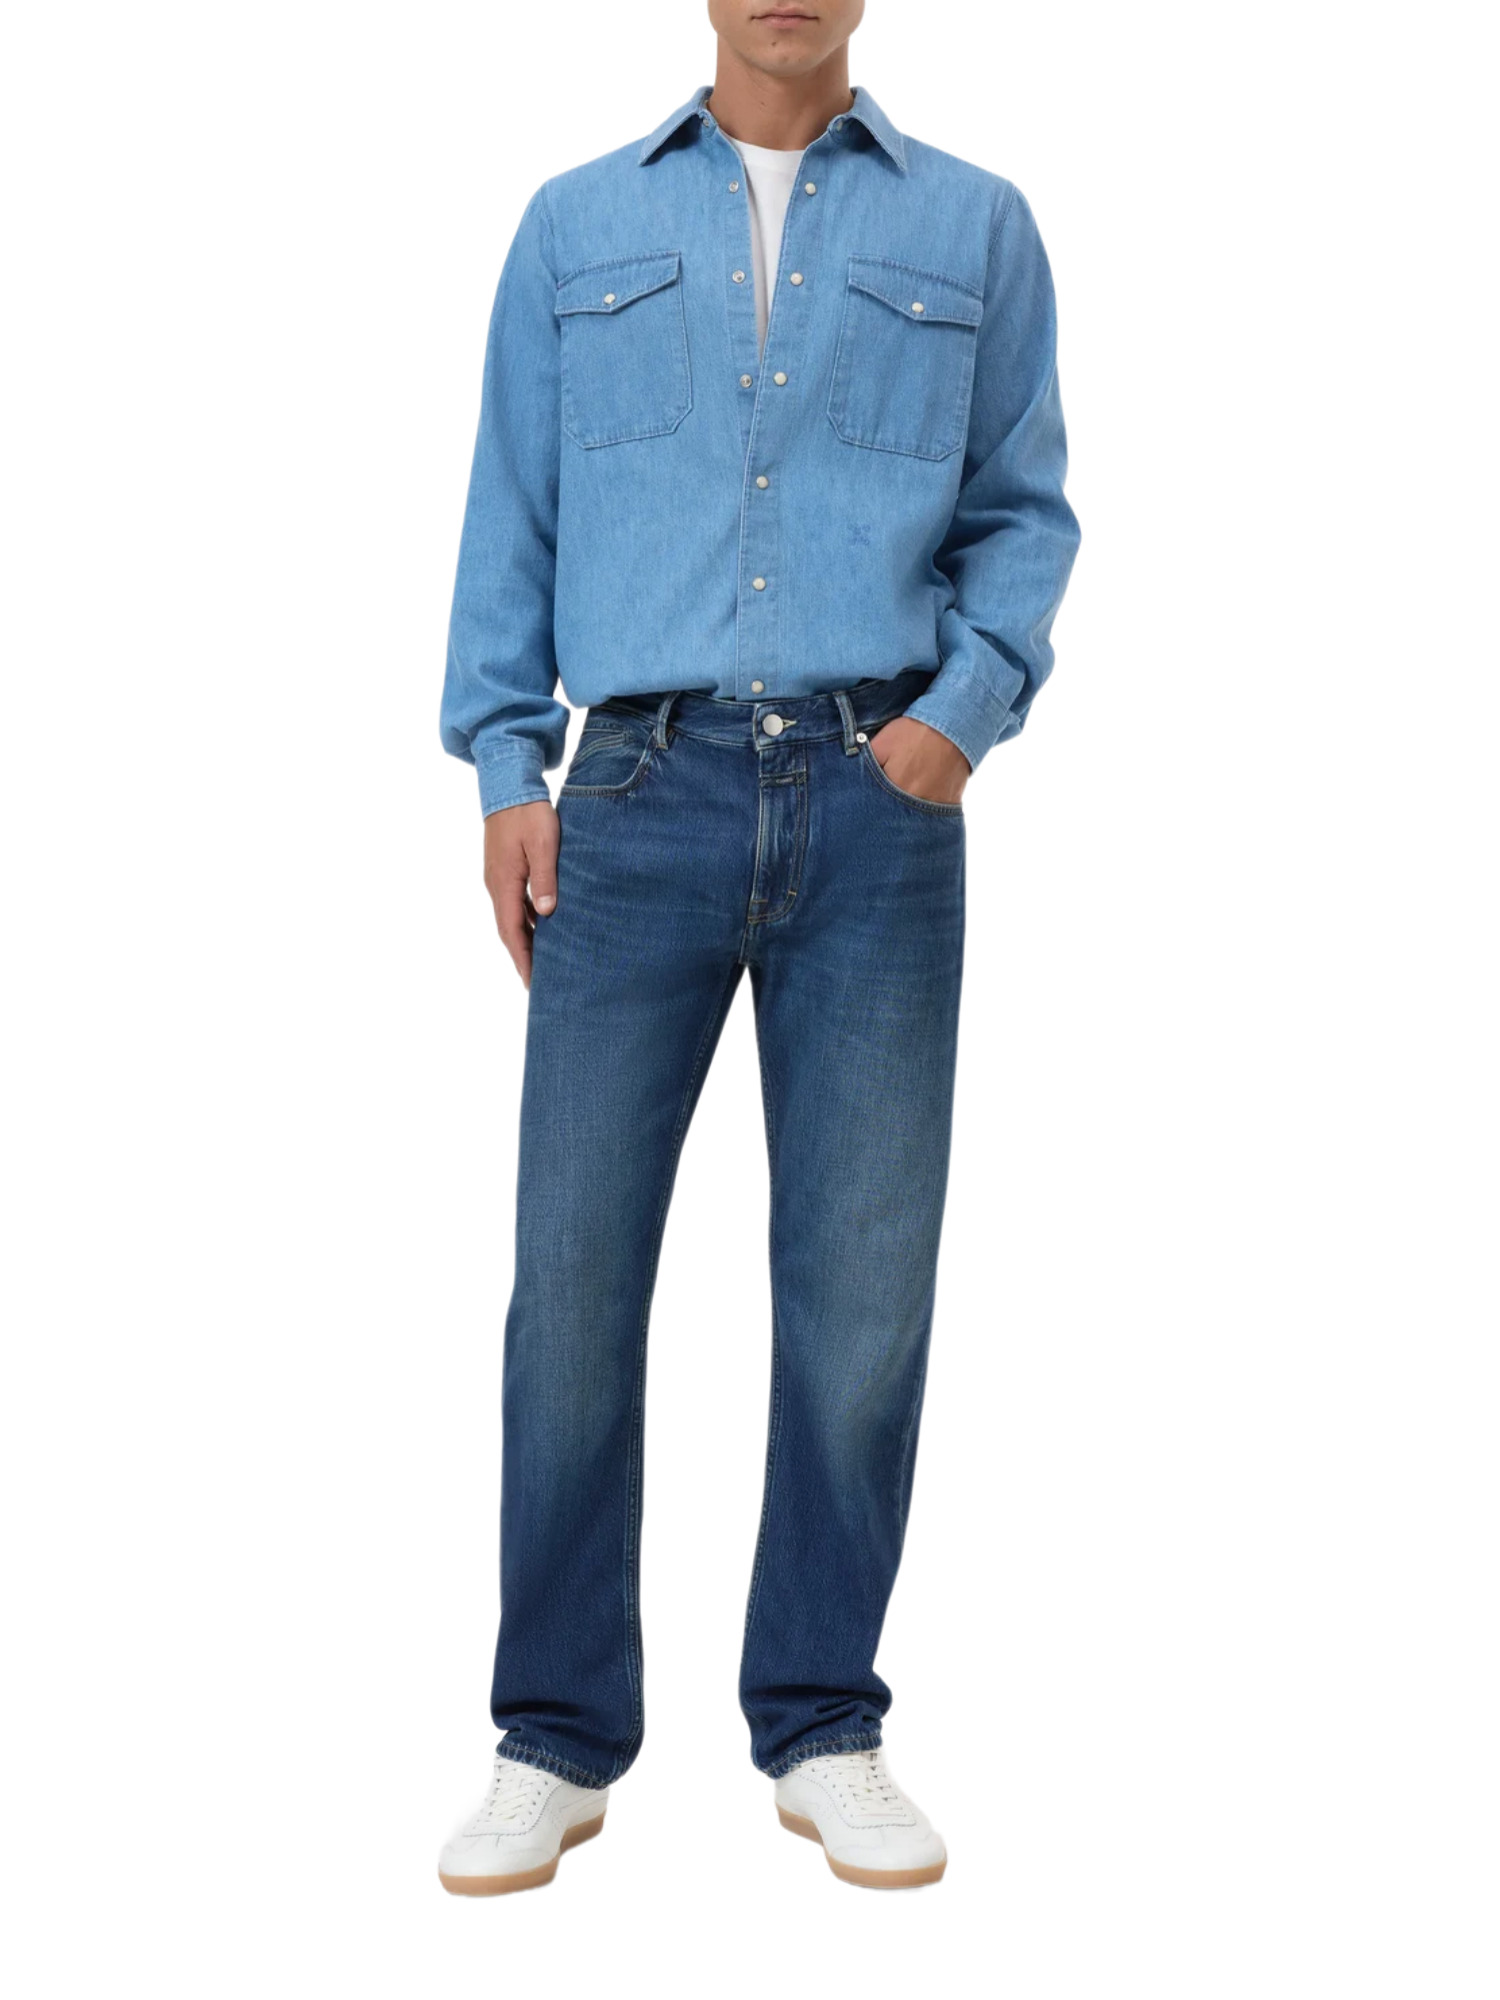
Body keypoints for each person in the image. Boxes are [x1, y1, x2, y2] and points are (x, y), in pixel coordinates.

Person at [436, 0, 1079, 1895]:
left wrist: (959, 718)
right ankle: (553, 1738)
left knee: (863, 1293)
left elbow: (1023, 510)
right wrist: (506, 765)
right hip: (632, 800)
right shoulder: (574, 223)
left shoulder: (977, 225)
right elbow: (512, 510)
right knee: (572, 1288)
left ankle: (822, 1720)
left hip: (882, 802)